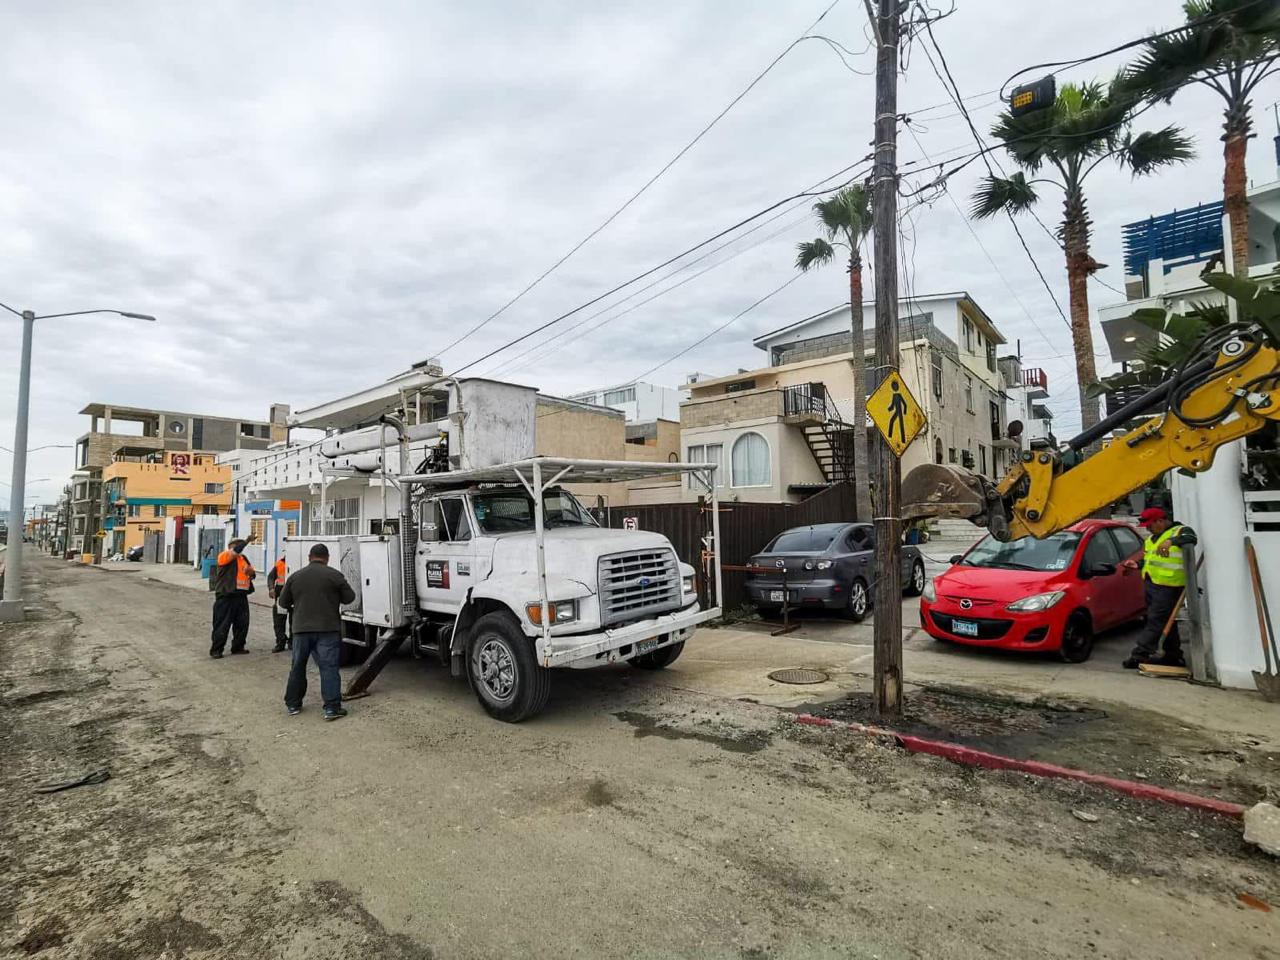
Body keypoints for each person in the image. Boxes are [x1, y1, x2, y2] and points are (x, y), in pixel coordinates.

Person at [279, 543, 356, 720]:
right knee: (329, 667)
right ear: (327, 558)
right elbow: (350, 598)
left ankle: (293, 704)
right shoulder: (334, 575)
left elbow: (283, 602)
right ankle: (331, 708)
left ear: (309, 557)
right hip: (327, 629)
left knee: (298, 666)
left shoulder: (295, 576)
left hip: (301, 630)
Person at [1122, 507, 1197, 669]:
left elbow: (1191, 538)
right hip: (1152, 584)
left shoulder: (1180, 531)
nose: (1148, 529)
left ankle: (1140, 654)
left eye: (1150, 525)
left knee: (1155, 621)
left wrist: (1171, 541)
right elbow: (1151, 560)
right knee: (1165, 621)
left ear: (1160, 521)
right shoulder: (1152, 539)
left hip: (1169, 586)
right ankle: (1173, 656)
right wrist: (1137, 564)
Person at [210, 534, 257, 658]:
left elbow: (252, 573)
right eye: (238, 544)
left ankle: (238, 647)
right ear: (231, 546)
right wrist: (247, 540)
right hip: (226, 596)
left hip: (241, 596)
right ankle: (216, 650)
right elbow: (236, 551)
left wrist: (251, 573)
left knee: (242, 623)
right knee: (222, 624)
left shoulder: (243, 558)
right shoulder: (224, 556)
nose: (241, 547)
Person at [267, 553, 291, 652]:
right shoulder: (279, 564)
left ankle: (292, 642)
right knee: (279, 621)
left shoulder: (298, 562)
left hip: (294, 597)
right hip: (281, 597)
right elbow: (271, 577)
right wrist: (271, 588)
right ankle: (281, 641)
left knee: (294, 621)